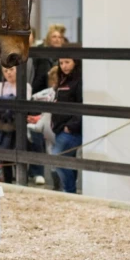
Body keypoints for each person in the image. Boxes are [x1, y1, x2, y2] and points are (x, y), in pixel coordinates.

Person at [51, 58, 82, 193]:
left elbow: (82, 105)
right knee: (68, 161)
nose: (64, 66)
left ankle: (69, 191)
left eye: (67, 62)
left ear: (75, 62)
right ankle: (71, 191)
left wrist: (71, 126)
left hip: (70, 130)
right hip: (60, 128)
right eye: (61, 63)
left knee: (57, 158)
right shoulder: (63, 80)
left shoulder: (78, 81)